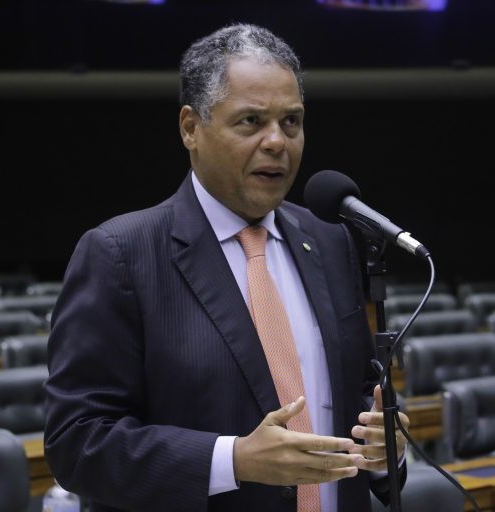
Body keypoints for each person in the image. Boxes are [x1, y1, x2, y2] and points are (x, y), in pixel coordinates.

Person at [44, 23, 409, 512]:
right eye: (251, 122)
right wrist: (232, 460)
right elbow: (78, 444)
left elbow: (361, 391)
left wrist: (384, 449)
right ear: (191, 128)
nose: (277, 142)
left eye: (292, 121)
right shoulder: (120, 254)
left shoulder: (328, 239)